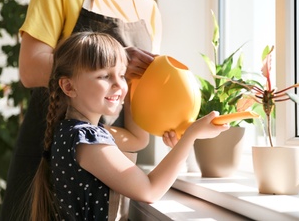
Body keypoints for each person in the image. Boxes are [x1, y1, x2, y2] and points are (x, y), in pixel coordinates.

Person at [0, 0, 178, 220]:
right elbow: (29, 68)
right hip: (46, 158)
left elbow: (137, 104)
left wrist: (172, 128)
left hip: (104, 167)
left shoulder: (149, 10)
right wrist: (117, 61)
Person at [29, 31, 229, 221]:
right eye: (105, 76)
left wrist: (136, 82)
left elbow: (138, 139)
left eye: (122, 75)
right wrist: (191, 135)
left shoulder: (74, 131)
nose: (118, 84)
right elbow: (149, 190)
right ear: (69, 86)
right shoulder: (87, 139)